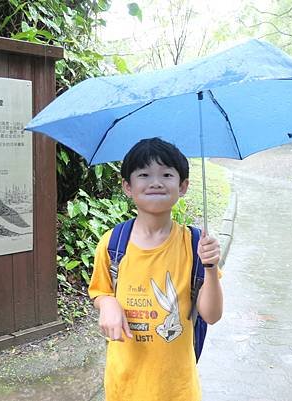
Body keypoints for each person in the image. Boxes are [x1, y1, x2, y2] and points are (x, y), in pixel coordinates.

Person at [88, 137, 223, 401]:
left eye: (167, 174)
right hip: (123, 385)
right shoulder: (113, 243)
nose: (156, 182)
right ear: (128, 186)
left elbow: (212, 315)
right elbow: (100, 292)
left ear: (183, 186)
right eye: (144, 174)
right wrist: (107, 304)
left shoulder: (194, 244)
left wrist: (210, 267)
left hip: (177, 389)